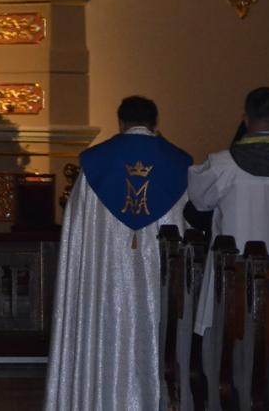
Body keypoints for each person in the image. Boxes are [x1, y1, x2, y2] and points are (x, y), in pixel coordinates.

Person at [45, 96, 192, 410]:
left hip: (106, 286)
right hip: (159, 283)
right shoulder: (179, 164)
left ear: (121, 123)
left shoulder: (94, 164)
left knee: (105, 325)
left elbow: (76, 234)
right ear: (155, 123)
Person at [188, 87, 269, 409]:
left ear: (245, 120)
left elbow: (197, 201)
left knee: (231, 373)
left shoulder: (220, 166)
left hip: (233, 294)